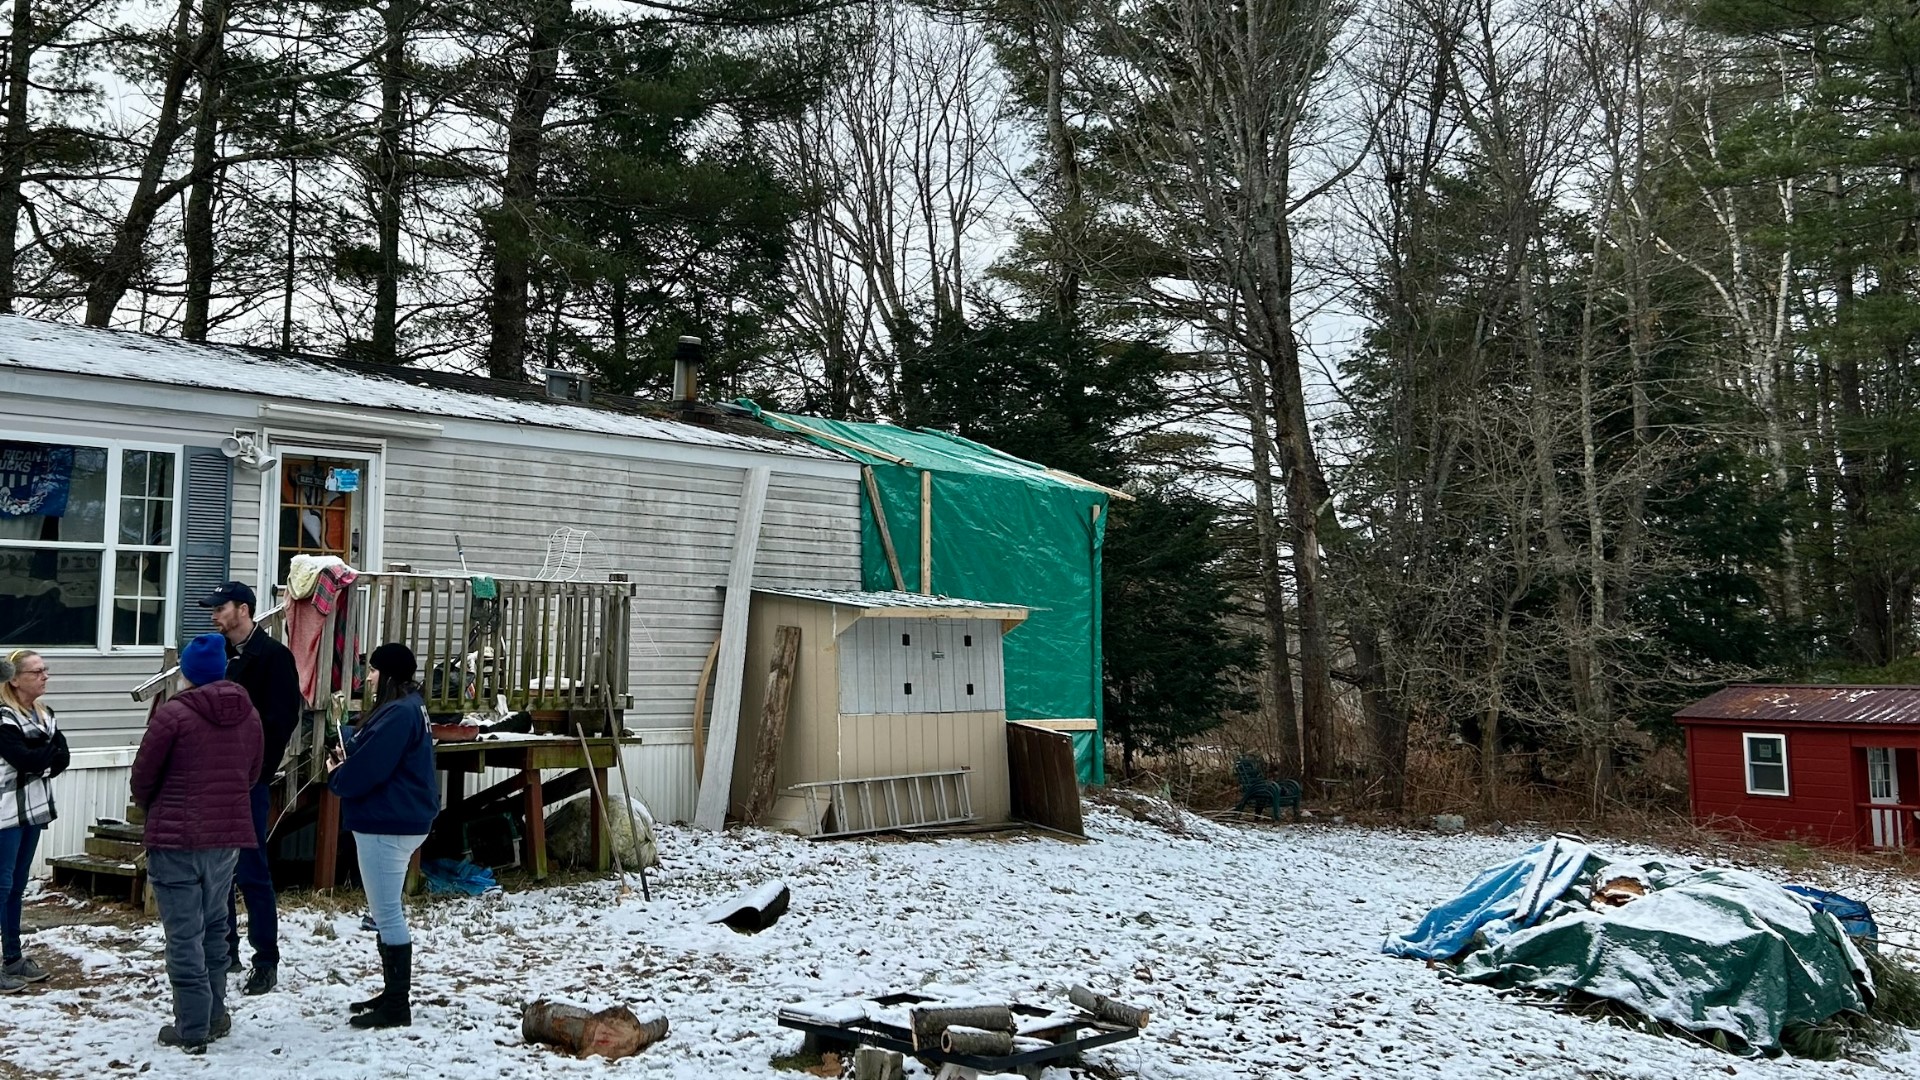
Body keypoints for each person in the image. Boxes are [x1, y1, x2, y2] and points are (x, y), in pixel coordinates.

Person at [131, 634, 263, 1055]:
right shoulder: (249, 715)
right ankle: (215, 1014)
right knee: (214, 927)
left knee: (184, 935)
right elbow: (253, 773)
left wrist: (154, 804)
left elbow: (143, 777)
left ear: (187, 672)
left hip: (176, 839)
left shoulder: (173, 715)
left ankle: (191, 1026)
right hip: (225, 838)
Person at [327, 642, 438, 1030]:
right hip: (398, 817)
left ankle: (396, 1005)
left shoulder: (398, 714)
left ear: (388, 674)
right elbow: (374, 752)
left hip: (387, 822)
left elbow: (370, 768)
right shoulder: (408, 707)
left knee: (386, 912)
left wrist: (337, 774)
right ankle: (392, 994)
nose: (368, 678)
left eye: (373, 671)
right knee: (385, 910)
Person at [202, 581, 301, 995]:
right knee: (215, 873)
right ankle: (225, 949)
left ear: (243, 609)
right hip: (211, 781)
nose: (214, 615)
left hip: (249, 781)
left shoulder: (273, 657)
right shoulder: (216, 654)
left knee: (252, 870)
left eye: (220, 607)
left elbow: (282, 720)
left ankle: (266, 958)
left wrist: (256, 769)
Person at [1, 649, 70, 994]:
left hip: (34, 809)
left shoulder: (45, 714)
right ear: (14, 679)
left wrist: (40, 758)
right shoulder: (4, 718)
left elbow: (63, 757)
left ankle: (12, 955)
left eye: (46, 670)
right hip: (5, 815)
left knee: (17, 886)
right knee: (1, 886)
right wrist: (43, 758)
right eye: (36, 672)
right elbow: (25, 759)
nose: (44, 676)